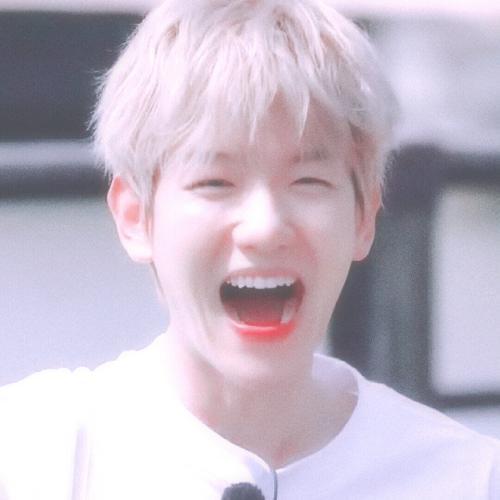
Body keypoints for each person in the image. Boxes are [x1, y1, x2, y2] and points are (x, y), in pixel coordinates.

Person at [1, 0, 499, 499]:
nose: (264, 227)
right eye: (215, 182)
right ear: (135, 216)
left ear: (364, 214)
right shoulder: (37, 455)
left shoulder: (465, 480)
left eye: (308, 181)